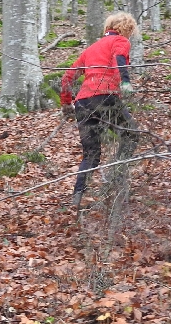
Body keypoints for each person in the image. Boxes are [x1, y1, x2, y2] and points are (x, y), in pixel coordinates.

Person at [60, 12, 140, 211]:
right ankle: (117, 178)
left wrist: (66, 104)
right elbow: (119, 58)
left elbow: (68, 77)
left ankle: (77, 197)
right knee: (131, 134)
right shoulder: (120, 41)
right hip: (105, 96)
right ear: (126, 29)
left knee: (91, 154)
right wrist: (126, 82)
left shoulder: (91, 49)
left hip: (83, 103)